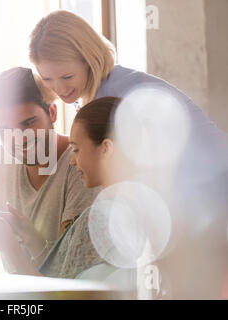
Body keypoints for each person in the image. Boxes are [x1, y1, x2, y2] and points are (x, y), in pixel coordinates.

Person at [29, 11, 228, 298]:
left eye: (67, 76)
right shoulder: (113, 87)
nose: (59, 89)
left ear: (89, 59)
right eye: (48, 80)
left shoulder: (114, 100)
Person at [0, 67, 98, 274]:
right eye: (6, 130)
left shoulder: (80, 167)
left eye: (28, 123)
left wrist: (9, 245)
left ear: (52, 112)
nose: (20, 138)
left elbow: (67, 282)